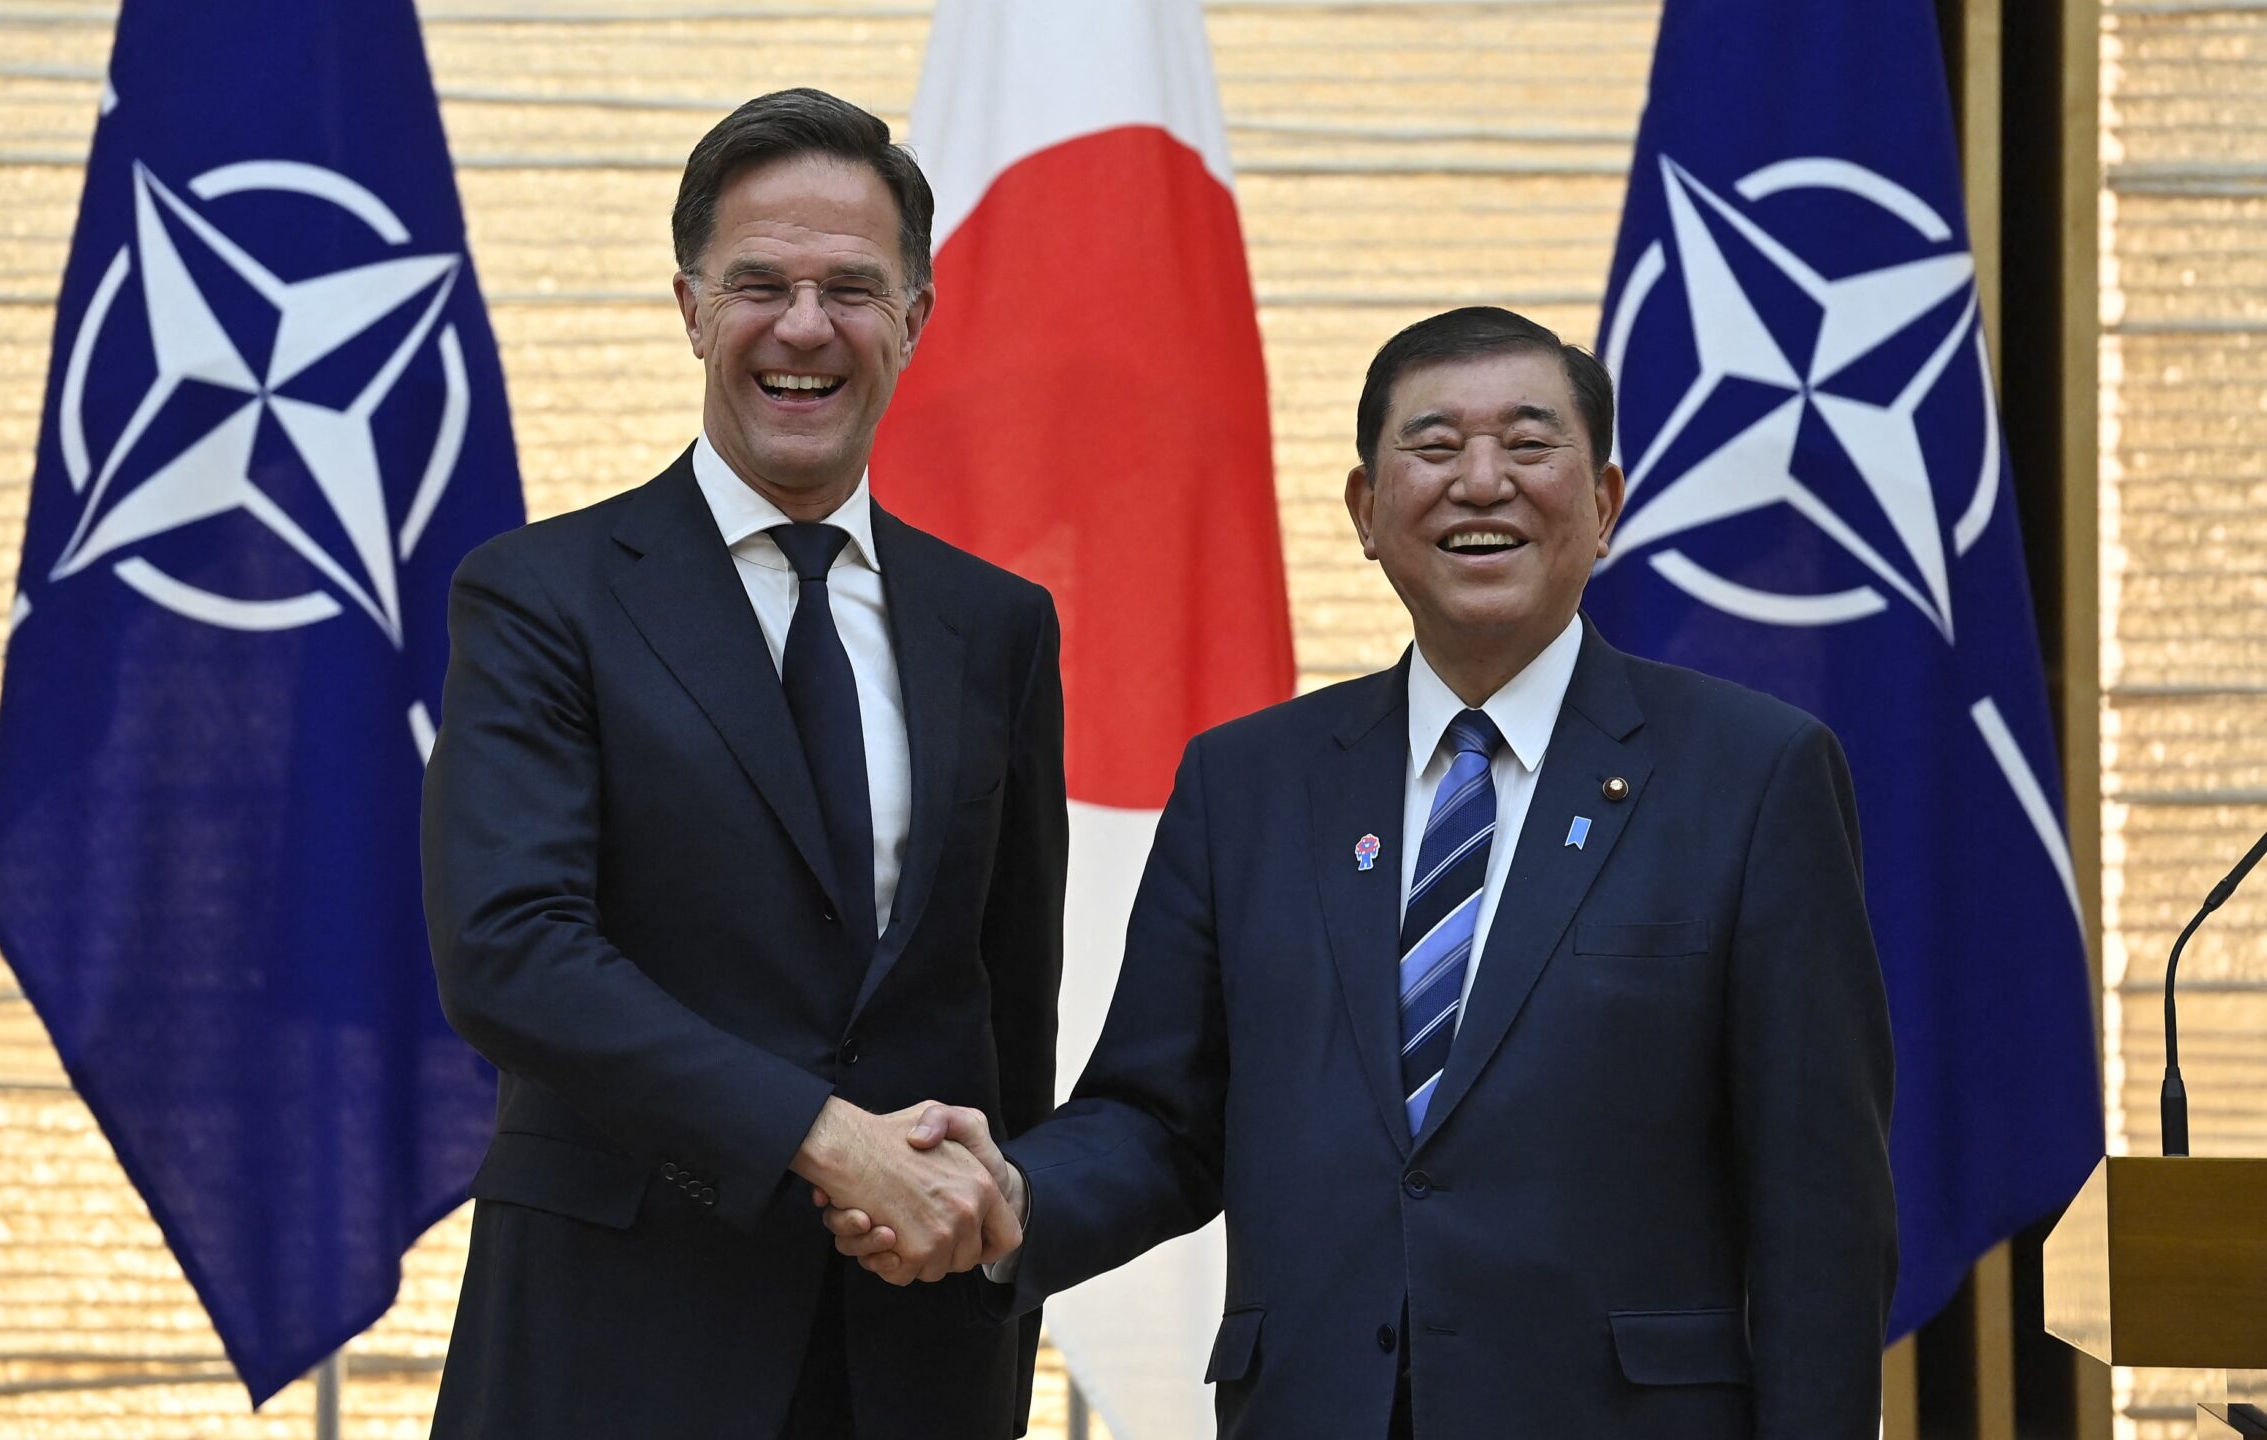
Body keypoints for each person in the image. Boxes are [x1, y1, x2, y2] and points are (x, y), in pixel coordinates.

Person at [829, 307, 1896, 1438]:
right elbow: (1161, 1120)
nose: (1481, 482)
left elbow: (1817, 1205)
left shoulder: (1753, 774)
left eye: (1530, 447)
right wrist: (1013, 1197)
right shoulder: (1250, 784)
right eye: (1432, 449)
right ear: (1365, 513)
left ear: (1604, 505)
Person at [421, 87, 1064, 1440]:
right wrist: (824, 1137)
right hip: (616, 1337)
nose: (805, 328)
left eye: (853, 288)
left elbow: (1010, 1010)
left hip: (917, 1358)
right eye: (760, 284)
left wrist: (1002, 1248)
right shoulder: (544, 596)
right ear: (691, 308)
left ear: (917, 318)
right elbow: (511, 950)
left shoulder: (997, 627)